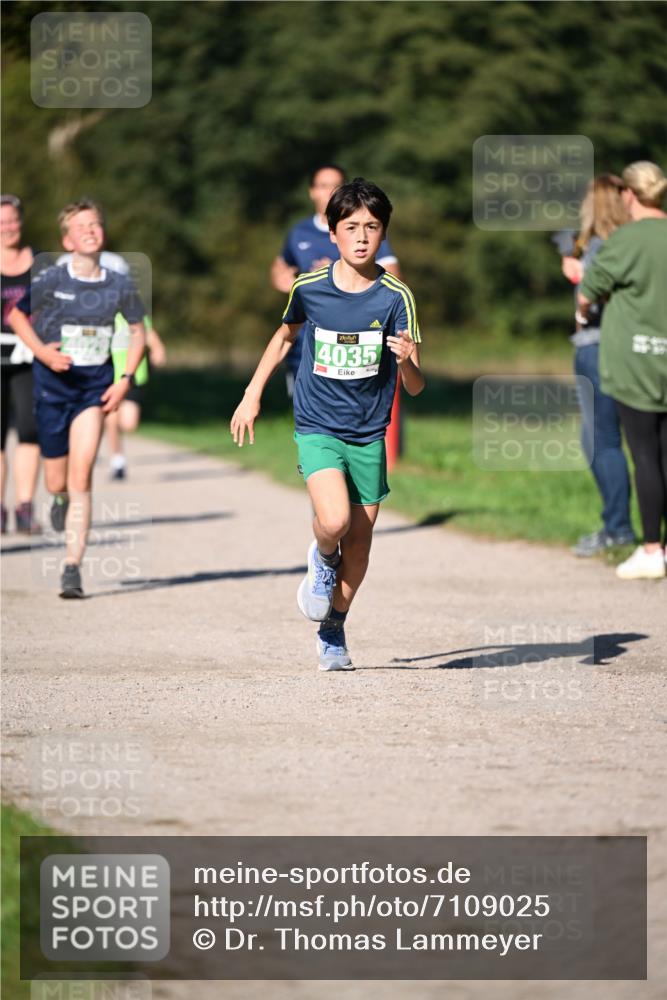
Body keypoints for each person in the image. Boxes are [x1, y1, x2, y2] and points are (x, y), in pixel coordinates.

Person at [232, 178, 425, 670]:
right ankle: (320, 556)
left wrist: (406, 362)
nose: (362, 236)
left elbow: (417, 385)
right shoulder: (309, 289)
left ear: (383, 234)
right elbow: (283, 339)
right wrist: (252, 394)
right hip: (318, 423)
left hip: (368, 432)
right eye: (351, 227)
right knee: (335, 522)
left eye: (372, 227)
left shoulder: (396, 296)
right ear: (333, 234)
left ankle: (334, 628)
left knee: (359, 547)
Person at [7, 198, 146, 597]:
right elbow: (17, 315)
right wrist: (43, 352)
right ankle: (58, 499)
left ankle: (72, 567)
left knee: (81, 473)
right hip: (52, 389)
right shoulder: (52, 279)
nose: (90, 230)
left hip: (93, 389)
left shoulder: (119, 284)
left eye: (95, 224)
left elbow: (137, 332)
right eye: (81, 226)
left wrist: (124, 379)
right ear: (67, 241)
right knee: (56, 480)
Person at [578, 161, 667, 580]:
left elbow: (589, 290)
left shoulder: (626, 238)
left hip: (635, 362)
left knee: (645, 455)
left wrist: (583, 308)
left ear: (629, 195)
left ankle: (651, 549)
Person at [271, 165, 401, 396]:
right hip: (305, 343)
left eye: (336, 186)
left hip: (358, 346)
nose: (330, 191)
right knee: (309, 416)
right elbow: (281, 269)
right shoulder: (299, 232)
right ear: (312, 191)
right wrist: (297, 284)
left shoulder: (365, 229)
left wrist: (334, 278)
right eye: (323, 186)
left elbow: (393, 279)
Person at [558, 176, 635, 556]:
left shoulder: (600, 247)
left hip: (597, 344)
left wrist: (583, 288)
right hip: (626, 347)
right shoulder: (626, 240)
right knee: (627, 442)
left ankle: (618, 527)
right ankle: (624, 526)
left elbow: (598, 292)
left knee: (600, 441)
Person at [56, 250, 167, 480]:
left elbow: (146, 330)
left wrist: (157, 348)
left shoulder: (133, 306)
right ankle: (117, 460)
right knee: (113, 418)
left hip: (134, 371)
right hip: (110, 371)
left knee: (130, 422)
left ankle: (98, 441)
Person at [1, 194, 42, 534]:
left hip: (31, 358)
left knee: (30, 429)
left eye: (13, 220)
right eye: (1, 222)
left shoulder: (41, 262)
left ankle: (25, 507)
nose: (8, 227)